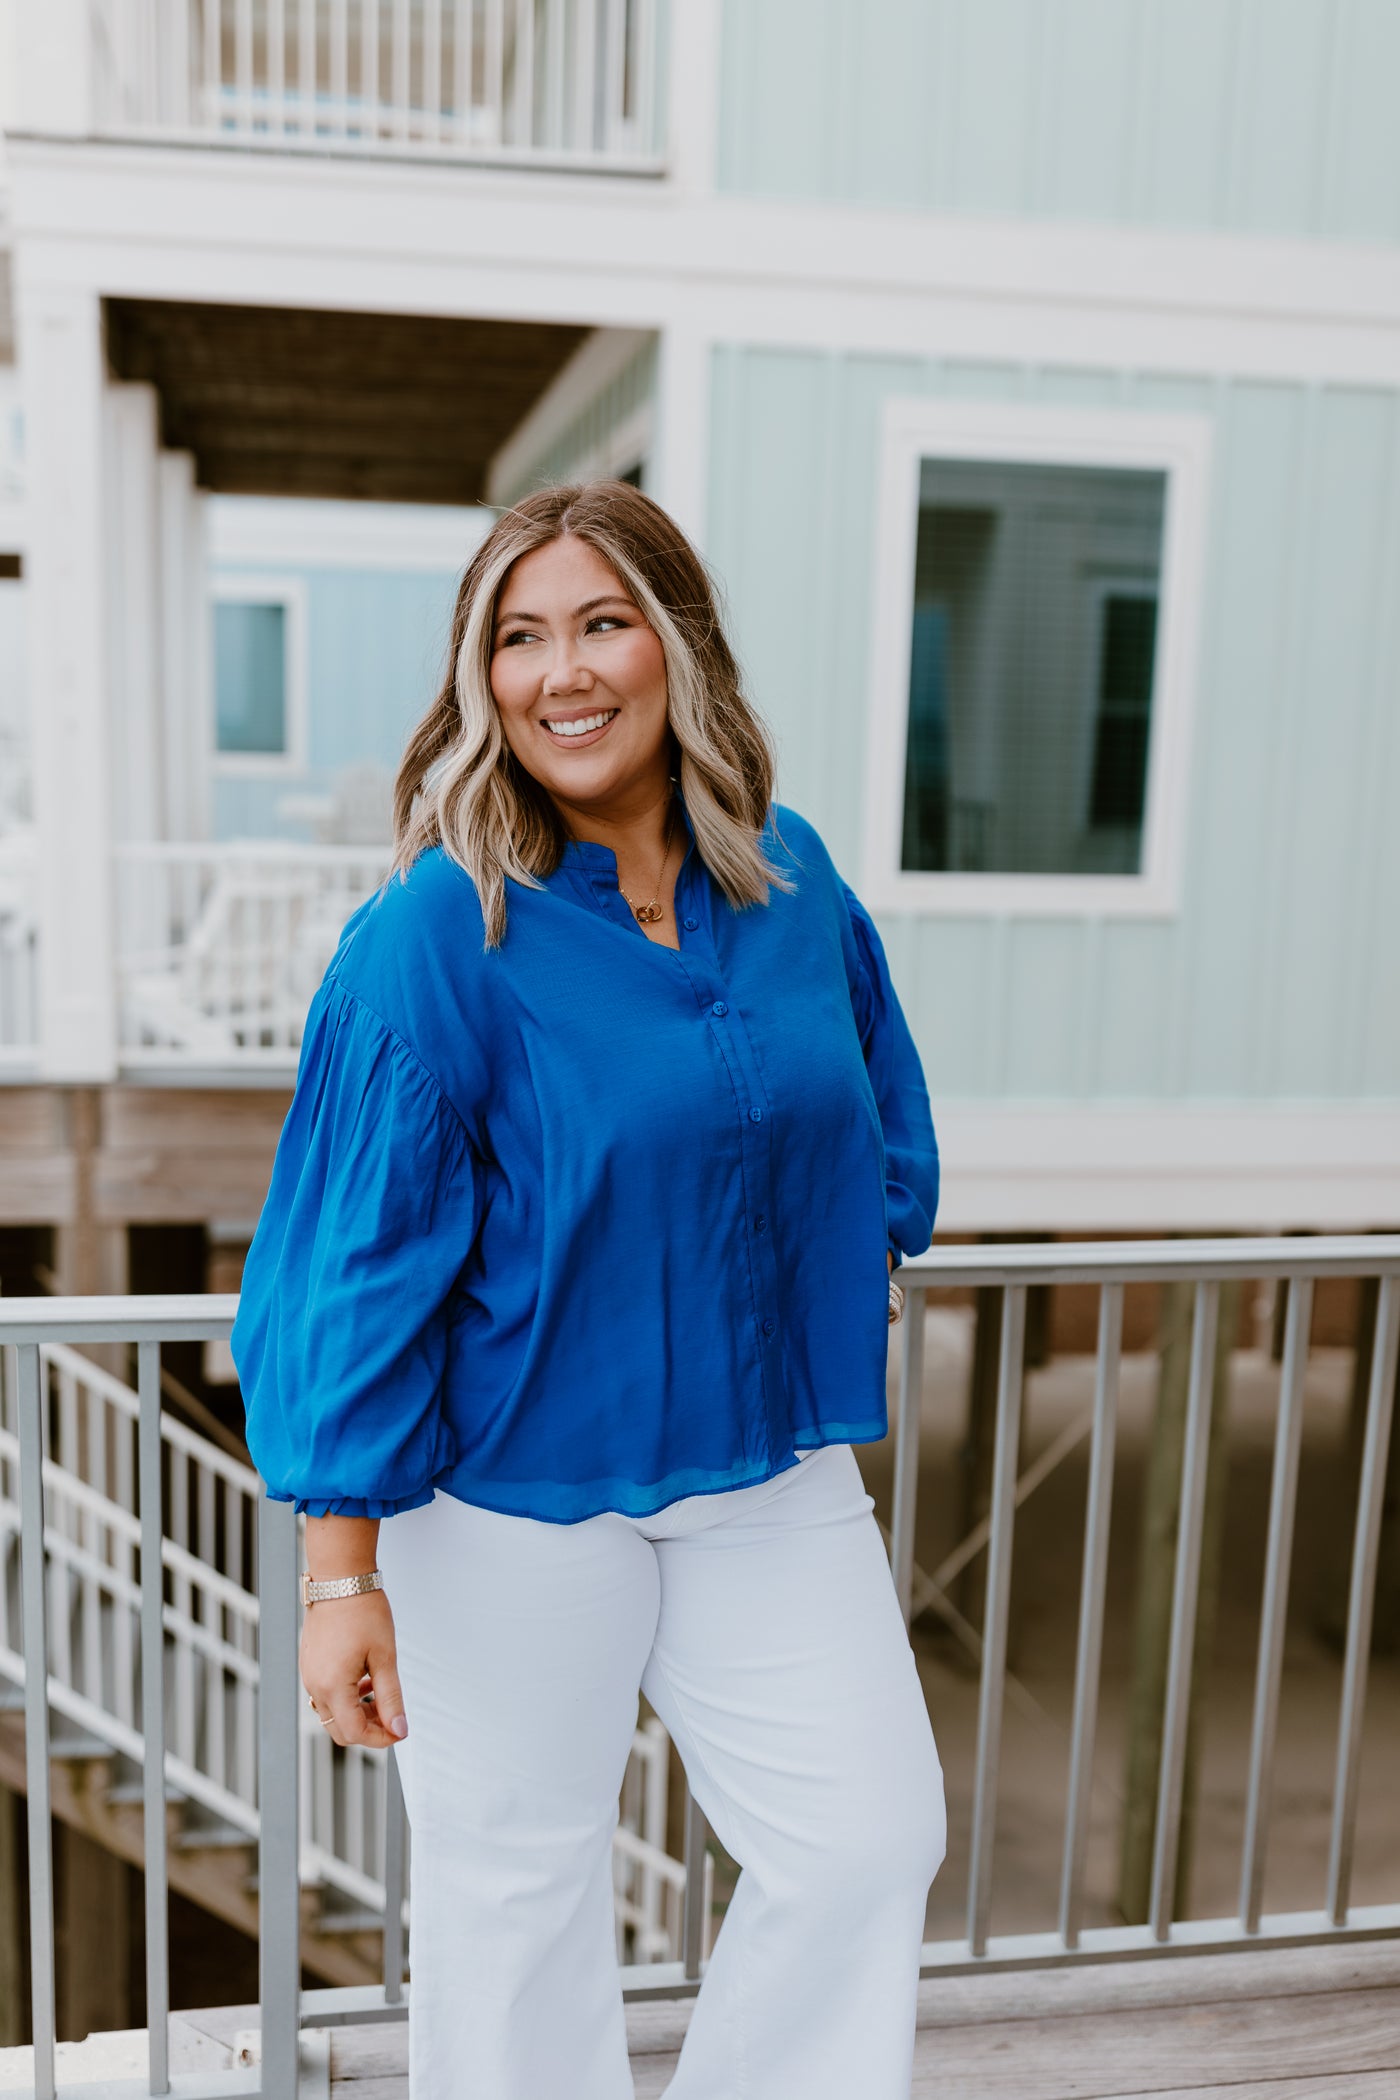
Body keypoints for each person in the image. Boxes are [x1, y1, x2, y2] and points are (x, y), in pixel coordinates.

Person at [231, 481, 945, 2100]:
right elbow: (349, 1250)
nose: (563, 672)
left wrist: (853, 1242)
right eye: (519, 637)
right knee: (515, 1892)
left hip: (766, 1466)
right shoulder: (441, 928)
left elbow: (875, 1107)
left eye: (603, 623)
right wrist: (342, 1568)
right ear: (482, 679)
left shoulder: (790, 878)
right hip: (510, 1494)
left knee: (867, 1839)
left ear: (676, 646)